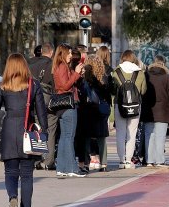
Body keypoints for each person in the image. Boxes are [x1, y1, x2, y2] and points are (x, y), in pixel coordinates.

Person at [0, 53, 49, 207]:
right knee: (27, 175)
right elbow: (42, 112)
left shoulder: (3, 85)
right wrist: (44, 133)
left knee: (10, 172)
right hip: (27, 132)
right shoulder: (33, 85)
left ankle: (12, 196)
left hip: (8, 131)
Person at [52, 44, 85, 177]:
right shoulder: (62, 67)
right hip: (68, 104)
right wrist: (76, 73)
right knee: (69, 136)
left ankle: (62, 167)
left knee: (64, 137)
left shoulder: (60, 66)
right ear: (63, 53)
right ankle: (71, 168)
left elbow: (69, 83)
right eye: (69, 53)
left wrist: (78, 74)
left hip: (62, 105)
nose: (71, 55)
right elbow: (65, 85)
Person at [112, 50, 146, 169]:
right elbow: (143, 90)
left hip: (119, 105)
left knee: (120, 133)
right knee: (132, 132)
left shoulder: (116, 71)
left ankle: (121, 160)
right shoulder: (139, 72)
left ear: (122, 58)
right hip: (135, 106)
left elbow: (112, 89)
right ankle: (128, 160)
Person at [81, 46, 112, 172]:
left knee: (87, 137)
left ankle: (87, 162)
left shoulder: (85, 79)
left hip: (88, 109)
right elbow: (108, 95)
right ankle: (103, 163)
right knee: (101, 137)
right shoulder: (104, 78)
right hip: (101, 109)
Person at [142, 55, 169, 167]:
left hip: (148, 111)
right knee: (160, 137)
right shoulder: (167, 78)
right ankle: (160, 160)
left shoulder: (146, 75)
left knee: (149, 136)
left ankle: (149, 160)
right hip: (163, 111)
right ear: (163, 64)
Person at [28, 44, 55, 169]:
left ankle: (36, 158)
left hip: (33, 100)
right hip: (48, 101)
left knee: (35, 128)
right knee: (50, 129)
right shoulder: (52, 65)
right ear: (51, 52)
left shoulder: (29, 64)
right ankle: (48, 161)